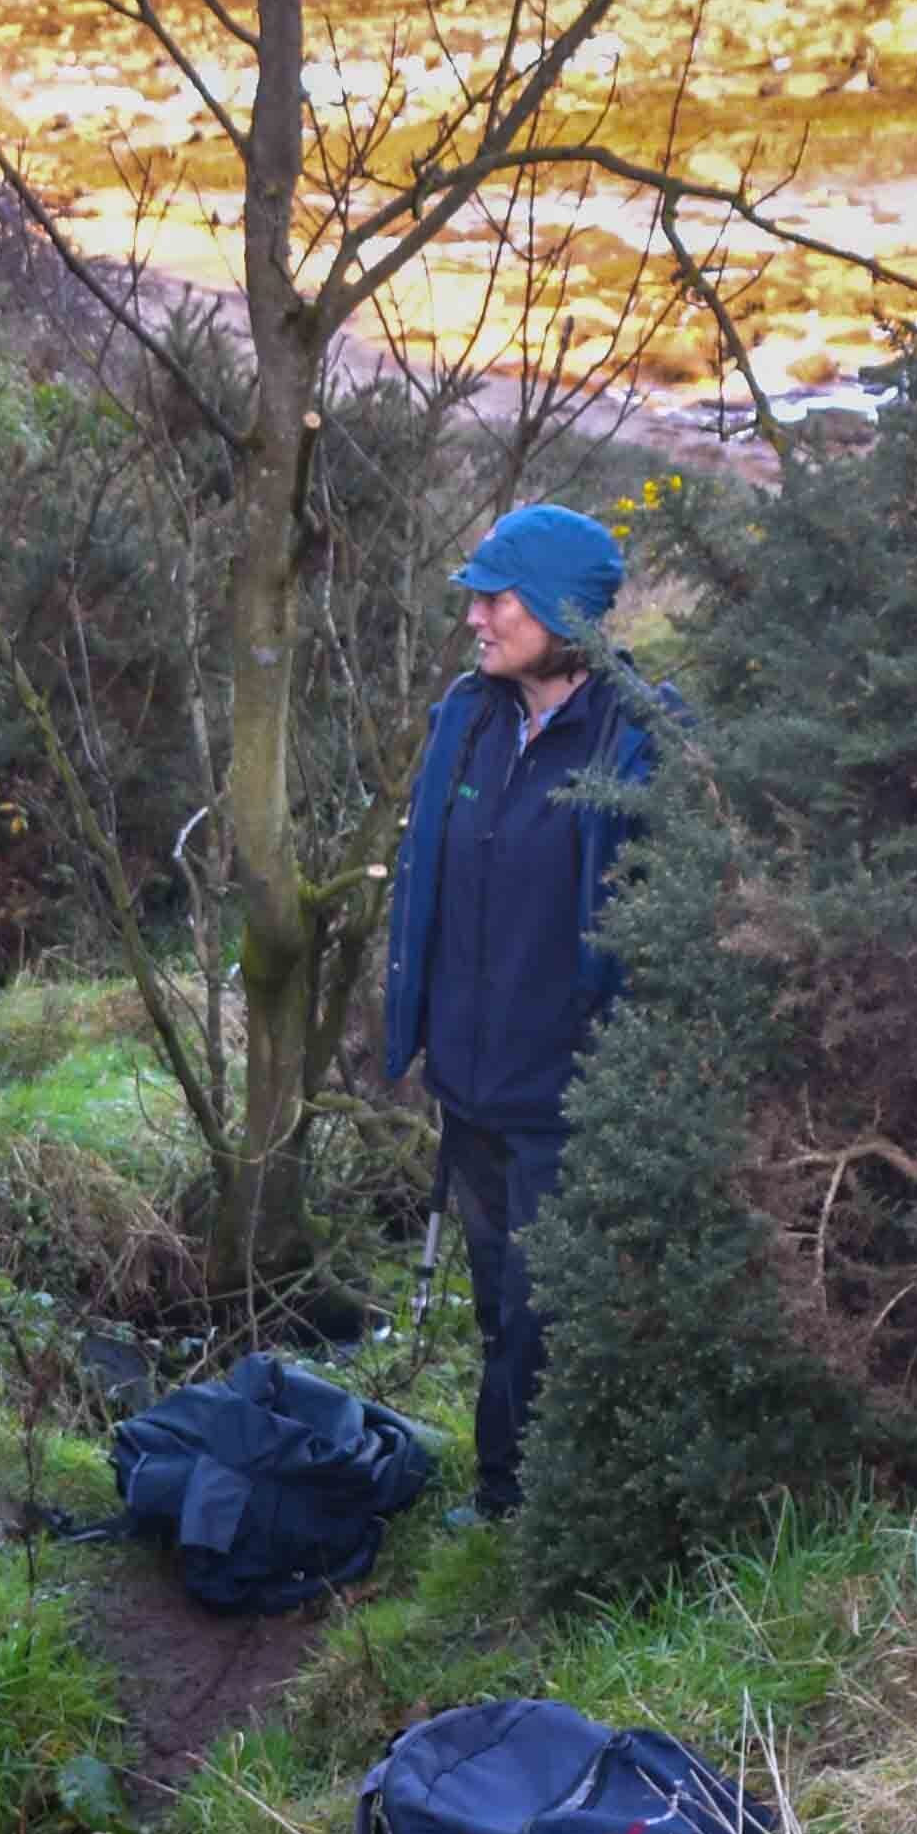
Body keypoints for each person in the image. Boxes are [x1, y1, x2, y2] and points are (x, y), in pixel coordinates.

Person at [379, 499, 667, 1524]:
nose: (477, 617)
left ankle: (553, 1510)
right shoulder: (468, 716)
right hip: (470, 1084)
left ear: (558, 609)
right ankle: (506, 1494)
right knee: (498, 1296)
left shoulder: (640, 741)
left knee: (556, 1309)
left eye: (497, 597)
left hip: (571, 1095)